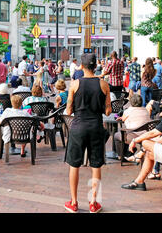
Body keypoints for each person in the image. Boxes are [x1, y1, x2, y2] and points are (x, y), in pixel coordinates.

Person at [64, 53, 112, 213]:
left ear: (82, 67)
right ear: (95, 66)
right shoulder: (104, 85)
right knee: (96, 164)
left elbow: (69, 110)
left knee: (74, 164)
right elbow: (108, 111)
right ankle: (93, 202)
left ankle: (74, 202)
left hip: (78, 127)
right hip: (96, 127)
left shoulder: (74, 84)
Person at [121, 94, 162, 191]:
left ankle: (138, 156)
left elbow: (153, 133)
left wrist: (135, 140)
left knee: (145, 142)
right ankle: (139, 182)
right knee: (149, 154)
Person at [113, 94, 151, 161]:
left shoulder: (128, 111)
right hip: (145, 135)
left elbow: (123, 119)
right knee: (125, 133)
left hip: (134, 136)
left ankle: (120, 156)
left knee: (117, 135)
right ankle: (128, 153)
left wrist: (121, 118)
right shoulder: (145, 110)